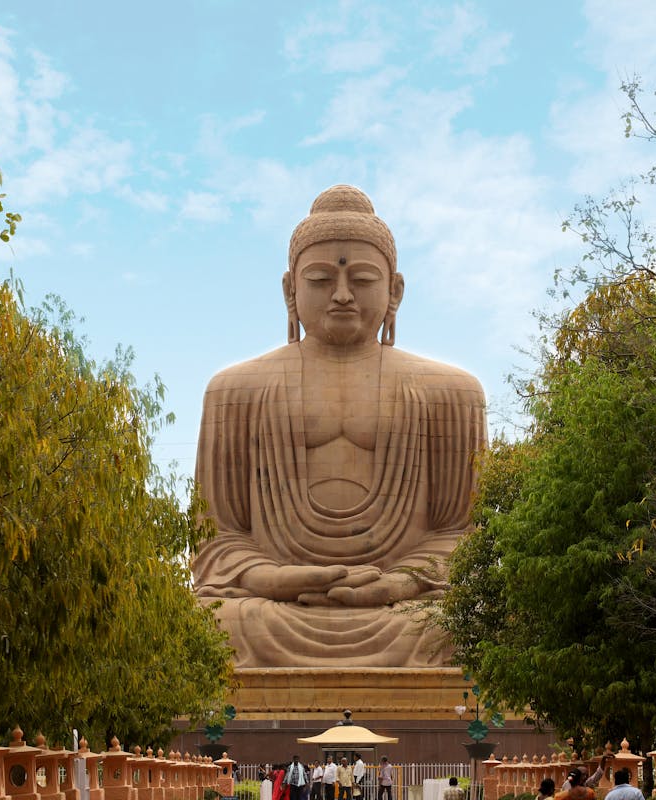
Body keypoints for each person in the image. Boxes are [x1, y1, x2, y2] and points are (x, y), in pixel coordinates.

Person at [191, 185, 487, 668]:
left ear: (395, 290)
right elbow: (217, 539)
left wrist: (400, 583)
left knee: (461, 623)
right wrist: (275, 579)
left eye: (364, 279)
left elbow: (462, 535)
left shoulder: (451, 392)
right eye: (321, 279)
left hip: (404, 611)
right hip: (275, 610)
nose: (343, 295)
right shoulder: (234, 390)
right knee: (208, 623)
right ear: (290, 289)